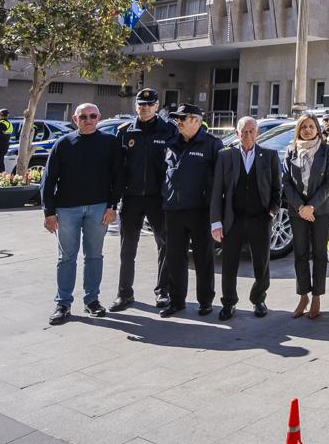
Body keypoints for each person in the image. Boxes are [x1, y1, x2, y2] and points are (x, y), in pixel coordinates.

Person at [41, 103, 121, 325]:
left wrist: (112, 206)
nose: (88, 119)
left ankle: (92, 300)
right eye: (83, 116)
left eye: (92, 116)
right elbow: (48, 181)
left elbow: (118, 177)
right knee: (66, 257)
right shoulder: (63, 144)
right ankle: (63, 304)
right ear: (75, 119)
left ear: (99, 117)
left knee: (94, 256)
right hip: (66, 210)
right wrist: (49, 213)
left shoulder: (110, 143)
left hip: (99, 209)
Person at [110, 88, 177, 312]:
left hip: (158, 199)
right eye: (141, 105)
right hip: (131, 198)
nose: (145, 108)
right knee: (127, 248)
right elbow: (117, 170)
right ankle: (124, 293)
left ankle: (163, 292)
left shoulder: (169, 130)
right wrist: (113, 200)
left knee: (164, 245)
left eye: (149, 104)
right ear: (136, 106)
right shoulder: (124, 132)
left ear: (157, 106)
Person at [211, 116, 281, 320]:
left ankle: (258, 299)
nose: (248, 135)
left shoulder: (269, 156)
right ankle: (229, 302)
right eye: (244, 131)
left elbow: (277, 188)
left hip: (260, 219)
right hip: (233, 219)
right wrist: (216, 222)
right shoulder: (225, 157)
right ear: (237, 133)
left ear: (257, 133)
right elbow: (217, 191)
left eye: (252, 131)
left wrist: (271, 212)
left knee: (262, 263)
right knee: (229, 263)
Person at [161, 104, 222, 318]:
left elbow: (219, 181)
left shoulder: (212, 144)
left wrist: (216, 214)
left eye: (183, 118)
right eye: (177, 118)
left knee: (203, 258)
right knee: (175, 258)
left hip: (200, 211)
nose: (178, 122)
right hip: (174, 210)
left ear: (196, 120)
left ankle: (205, 301)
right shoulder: (171, 144)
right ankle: (177, 301)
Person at [282, 113, 329, 319]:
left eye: (311, 126)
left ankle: (316, 297)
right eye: (303, 126)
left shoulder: (327, 150)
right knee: (300, 254)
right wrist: (300, 207)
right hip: (298, 211)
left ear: (317, 129)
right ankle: (303, 296)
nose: (307, 129)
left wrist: (311, 207)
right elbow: (286, 182)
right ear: (299, 130)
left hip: (320, 210)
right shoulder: (290, 150)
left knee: (320, 255)